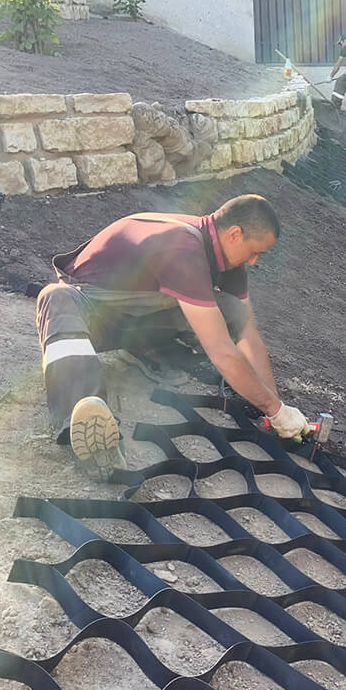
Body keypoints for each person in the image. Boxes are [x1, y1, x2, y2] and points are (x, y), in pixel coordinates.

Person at [35, 194, 310, 479]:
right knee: (56, 297)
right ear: (234, 234)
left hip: (135, 316)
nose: (253, 261)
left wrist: (278, 410)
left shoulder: (226, 260)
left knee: (232, 312)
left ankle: (146, 350)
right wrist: (275, 410)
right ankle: (82, 417)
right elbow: (222, 351)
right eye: (254, 252)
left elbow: (250, 338)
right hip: (93, 311)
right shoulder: (183, 248)